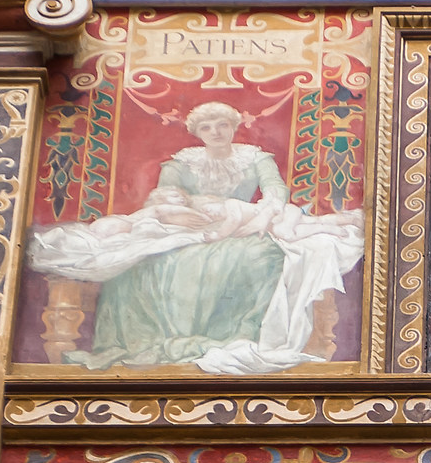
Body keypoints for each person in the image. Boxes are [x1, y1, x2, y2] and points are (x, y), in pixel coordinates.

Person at [26, 100, 365, 375]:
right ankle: (162, 337)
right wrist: (183, 213)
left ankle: (238, 336)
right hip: (191, 223)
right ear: (196, 132)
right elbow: (163, 197)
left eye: (222, 125)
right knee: (146, 261)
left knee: (261, 257)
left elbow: (275, 188)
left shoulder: (255, 157)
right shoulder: (182, 162)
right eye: (206, 127)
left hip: (244, 221)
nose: (215, 132)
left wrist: (265, 210)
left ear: (233, 127)